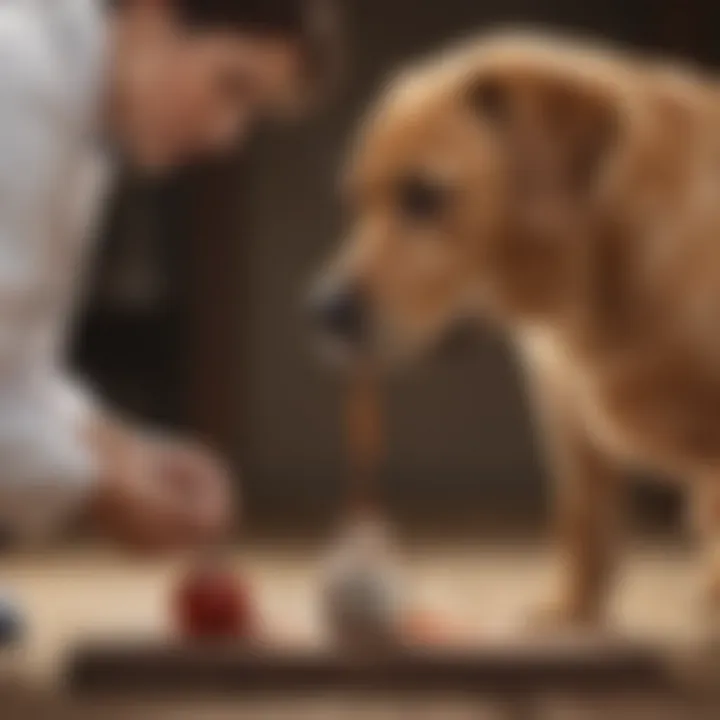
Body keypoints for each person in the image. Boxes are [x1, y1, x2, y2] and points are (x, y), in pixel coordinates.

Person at [0, 0, 340, 553]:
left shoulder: (80, 115)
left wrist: (122, 452)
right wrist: (95, 487)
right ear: (152, 13)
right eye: (232, 86)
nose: (227, 134)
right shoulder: (17, 78)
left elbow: (11, 372)